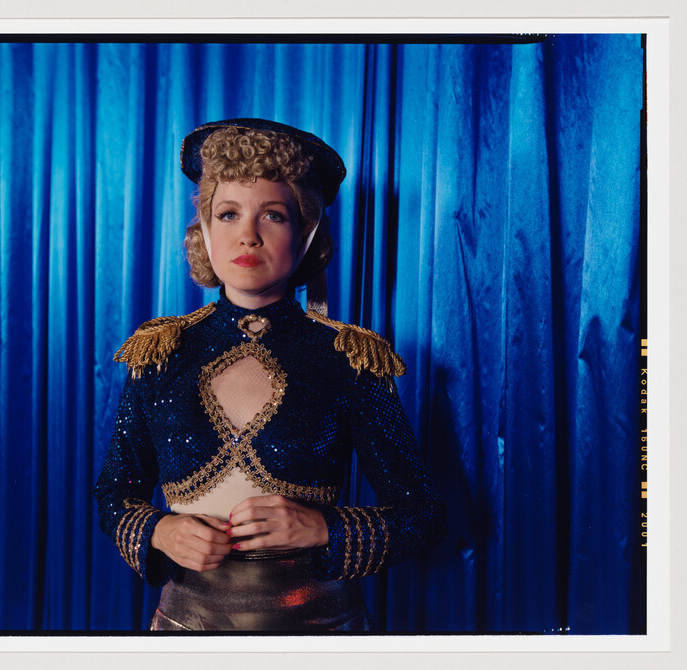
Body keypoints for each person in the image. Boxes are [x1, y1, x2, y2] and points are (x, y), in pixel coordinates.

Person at [93, 118, 445, 632]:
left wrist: (326, 529)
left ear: (307, 235)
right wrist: (159, 531)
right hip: (184, 631)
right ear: (205, 234)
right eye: (228, 213)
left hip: (324, 634)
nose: (248, 235)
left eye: (274, 216)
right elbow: (113, 493)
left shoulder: (350, 358)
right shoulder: (161, 352)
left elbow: (423, 514)